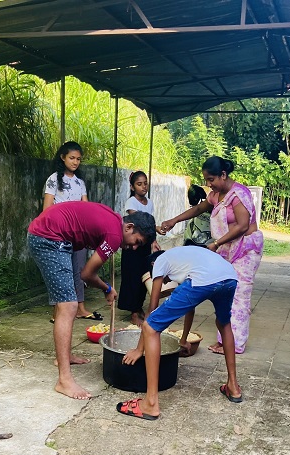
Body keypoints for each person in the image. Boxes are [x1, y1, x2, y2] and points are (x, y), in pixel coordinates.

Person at [28, 201, 156, 400]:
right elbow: (87, 274)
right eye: (136, 241)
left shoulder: (115, 222)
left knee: (67, 301)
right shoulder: (114, 236)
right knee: (69, 305)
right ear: (129, 227)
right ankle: (64, 380)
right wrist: (107, 288)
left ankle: (65, 357)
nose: (132, 247)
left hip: (51, 235)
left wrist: (106, 287)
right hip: (48, 238)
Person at [118, 246, 242, 421]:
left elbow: (152, 312)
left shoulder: (160, 261)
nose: (164, 280)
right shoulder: (184, 260)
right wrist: (183, 340)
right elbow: (189, 306)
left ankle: (150, 403)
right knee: (224, 324)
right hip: (229, 277)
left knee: (151, 327)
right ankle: (233, 387)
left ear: (153, 265)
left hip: (204, 279)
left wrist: (139, 350)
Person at [158, 156, 263, 354]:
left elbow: (242, 225)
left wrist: (216, 243)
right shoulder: (216, 194)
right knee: (224, 293)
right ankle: (223, 340)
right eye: (206, 180)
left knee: (238, 295)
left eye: (212, 179)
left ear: (223, 175)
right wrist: (174, 220)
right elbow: (199, 208)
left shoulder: (239, 195)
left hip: (245, 250)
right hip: (227, 249)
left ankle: (235, 344)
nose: (208, 184)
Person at [42, 141, 102, 321]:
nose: (75, 162)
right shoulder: (53, 179)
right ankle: (57, 312)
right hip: (59, 233)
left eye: (78, 159)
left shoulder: (80, 183)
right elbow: (47, 209)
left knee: (79, 269)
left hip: (79, 233)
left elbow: (86, 207)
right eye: (72, 158)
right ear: (62, 158)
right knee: (60, 270)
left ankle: (81, 308)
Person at [117, 171, 160, 325]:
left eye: (145, 183)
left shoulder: (149, 202)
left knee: (144, 276)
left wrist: (153, 240)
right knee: (132, 277)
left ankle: (139, 306)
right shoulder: (131, 202)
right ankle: (133, 311)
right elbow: (141, 224)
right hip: (132, 243)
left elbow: (148, 225)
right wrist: (154, 231)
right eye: (139, 184)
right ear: (133, 186)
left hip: (144, 244)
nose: (143, 187)